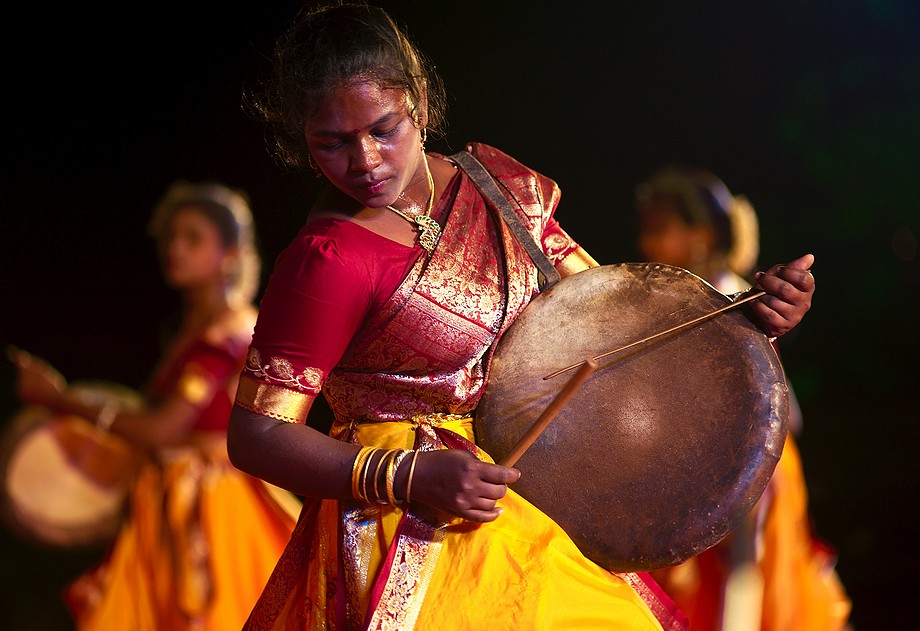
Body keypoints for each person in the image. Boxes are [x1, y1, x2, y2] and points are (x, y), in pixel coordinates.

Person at [225, 4, 816, 630]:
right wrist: (406, 475)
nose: (365, 159)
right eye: (332, 142)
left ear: (418, 103)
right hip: (409, 526)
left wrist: (749, 320)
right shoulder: (327, 260)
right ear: (301, 138)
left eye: (383, 128)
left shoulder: (496, 190)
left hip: (530, 487)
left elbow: (612, 321)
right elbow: (256, 434)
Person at [8, 181, 299, 630]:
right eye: (171, 237)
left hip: (211, 507)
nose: (175, 248)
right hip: (169, 497)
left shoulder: (228, 331)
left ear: (229, 252)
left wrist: (59, 399)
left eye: (193, 238)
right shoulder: (194, 327)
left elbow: (163, 429)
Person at [634, 166, 851, 630]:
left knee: (741, 569)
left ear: (700, 235)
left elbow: (782, 410)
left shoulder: (734, 297)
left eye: (658, 228)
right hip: (698, 455)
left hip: (748, 455)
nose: (646, 242)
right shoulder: (680, 296)